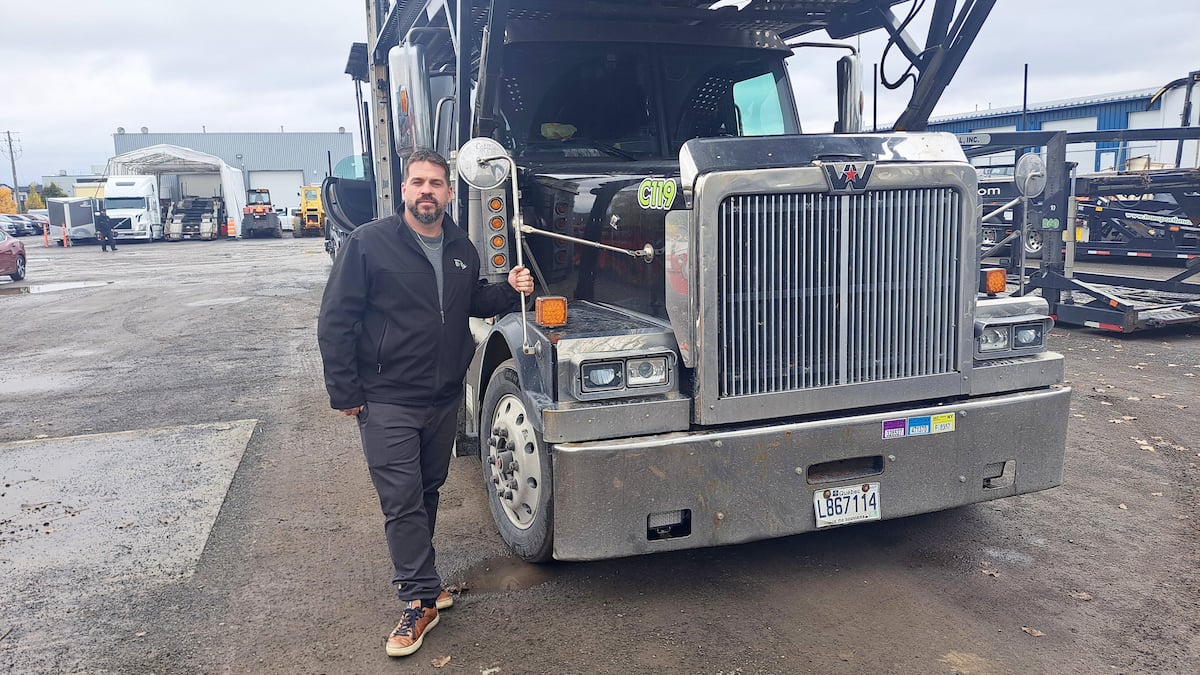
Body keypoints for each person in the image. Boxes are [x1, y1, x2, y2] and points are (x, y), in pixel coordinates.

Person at [317, 148, 533, 658]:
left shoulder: (461, 248)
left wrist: (510, 289)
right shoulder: (369, 245)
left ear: (449, 193)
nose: (427, 192)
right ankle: (419, 601)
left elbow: (468, 301)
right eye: (418, 182)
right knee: (401, 499)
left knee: (428, 488)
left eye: (436, 183)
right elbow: (335, 321)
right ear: (405, 189)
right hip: (386, 397)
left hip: (441, 398)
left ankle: (427, 582)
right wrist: (345, 392)